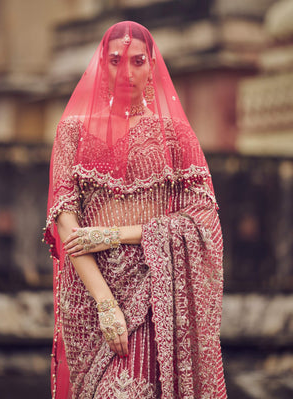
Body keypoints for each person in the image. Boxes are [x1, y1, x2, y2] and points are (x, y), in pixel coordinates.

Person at [44, 21, 227, 399]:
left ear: (153, 64)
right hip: (88, 293)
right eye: (115, 61)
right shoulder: (72, 132)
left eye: (138, 61)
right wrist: (105, 304)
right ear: (101, 64)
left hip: (154, 285)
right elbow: (65, 219)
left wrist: (115, 235)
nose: (126, 73)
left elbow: (204, 219)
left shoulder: (175, 135)